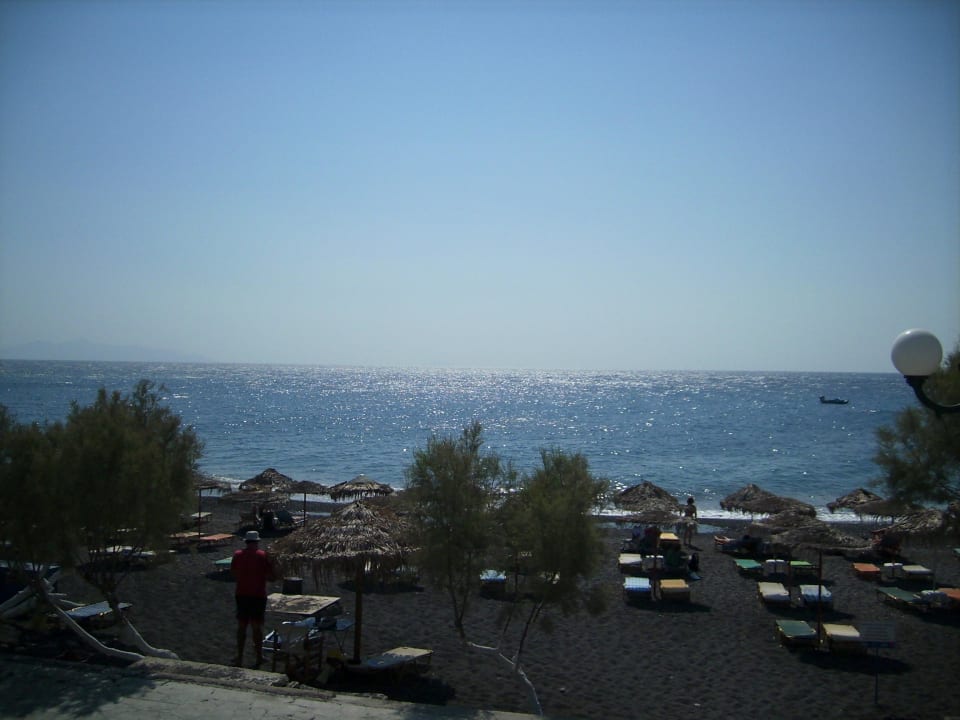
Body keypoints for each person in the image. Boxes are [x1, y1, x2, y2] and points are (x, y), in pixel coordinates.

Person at [231, 530, 276, 668]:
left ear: (246, 542)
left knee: (242, 626)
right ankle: (258, 656)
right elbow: (271, 576)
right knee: (256, 627)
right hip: (257, 595)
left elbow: (234, 573)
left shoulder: (238, 555)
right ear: (256, 542)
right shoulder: (262, 556)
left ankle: (239, 656)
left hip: (242, 594)